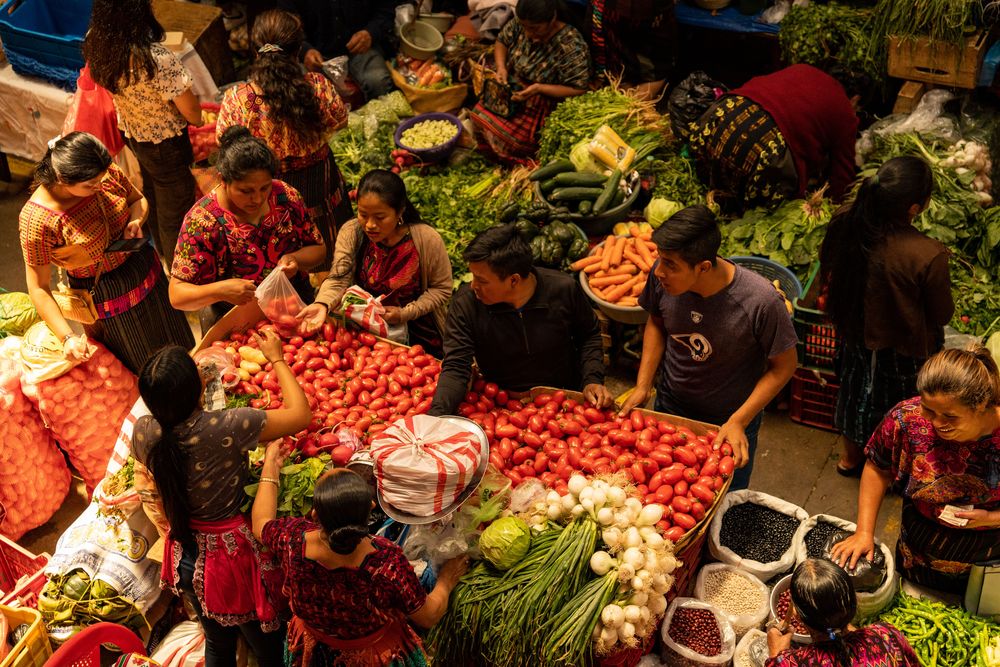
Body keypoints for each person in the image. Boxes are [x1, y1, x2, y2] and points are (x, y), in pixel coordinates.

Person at [132, 330, 311, 667]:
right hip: (233, 562)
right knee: (267, 649)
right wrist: (276, 357)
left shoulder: (144, 431)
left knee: (217, 644)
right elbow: (301, 415)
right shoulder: (229, 425)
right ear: (199, 388)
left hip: (187, 554)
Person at [618, 206, 798, 491]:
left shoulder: (760, 302)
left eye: (671, 265)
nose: (659, 271)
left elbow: (784, 366)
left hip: (730, 420)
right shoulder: (661, 276)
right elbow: (656, 321)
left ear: (703, 267)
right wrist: (643, 385)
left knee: (724, 504)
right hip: (671, 409)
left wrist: (739, 420)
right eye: (659, 259)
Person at [252, 455, 469, 666]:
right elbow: (429, 616)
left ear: (315, 514)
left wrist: (270, 464)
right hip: (372, 658)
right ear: (371, 508)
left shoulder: (291, 538)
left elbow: (260, 523)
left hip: (315, 649)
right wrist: (446, 581)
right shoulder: (386, 561)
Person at [19, 132, 193, 375]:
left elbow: (138, 200)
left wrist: (135, 220)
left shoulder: (103, 173)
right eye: (90, 186)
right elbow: (38, 288)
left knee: (181, 350)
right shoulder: (37, 219)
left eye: (101, 180)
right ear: (61, 178)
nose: (100, 186)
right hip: (108, 303)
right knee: (144, 373)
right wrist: (67, 337)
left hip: (148, 274)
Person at [820, 156, 953, 476]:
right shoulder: (927, 253)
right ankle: (889, 471)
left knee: (855, 393)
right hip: (903, 345)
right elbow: (942, 313)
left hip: (854, 334)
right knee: (901, 406)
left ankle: (849, 460)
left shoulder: (845, 222)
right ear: (914, 208)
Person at [831, 344, 1000, 594]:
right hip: (917, 550)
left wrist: (993, 518)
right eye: (929, 409)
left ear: (981, 405)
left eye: (950, 416)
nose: (937, 423)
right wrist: (864, 532)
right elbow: (877, 466)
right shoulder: (907, 419)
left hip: (986, 558)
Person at [216, 9, 351, 271]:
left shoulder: (239, 98)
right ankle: (333, 276)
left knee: (282, 255)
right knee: (331, 252)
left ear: (255, 52)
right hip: (319, 187)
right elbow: (340, 120)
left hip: (268, 189)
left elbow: (225, 140)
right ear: (298, 50)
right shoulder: (317, 87)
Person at [429, 224, 613, 416]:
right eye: (473, 277)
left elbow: (589, 335)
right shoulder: (465, 304)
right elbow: (457, 366)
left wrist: (592, 379)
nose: (473, 285)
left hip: (563, 401)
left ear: (514, 280)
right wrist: (436, 416)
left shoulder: (563, 290)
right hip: (502, 406)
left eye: (482, 280)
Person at [83, 0, 202, 267]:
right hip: (166, 145)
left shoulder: (96, 43)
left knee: (155, 197)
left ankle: (163, 259)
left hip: (133, 134)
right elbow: (193, 114)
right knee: (176, 213)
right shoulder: (155, 59)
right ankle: (181, 275)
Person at [169, 126, 325, 328]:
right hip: (236, 320)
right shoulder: (202, 222)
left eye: (264, 187)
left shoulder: (285, 196)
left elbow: (319, 250)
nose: (258, 198)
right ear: (223, 180)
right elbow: (177, 295)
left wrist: (296, 259)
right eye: (246, 191)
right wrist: (220, 290)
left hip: (293, 304)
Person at [298, 169, 452, 355]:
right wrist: (322, 304)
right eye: (363, 215)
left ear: (399, 212)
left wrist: (405, 313)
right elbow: (339, 276)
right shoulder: (352, 231)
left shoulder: (426, 239)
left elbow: (441, 288)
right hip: (368, 330)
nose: (370, 225)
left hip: (419, 333)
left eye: (380, 217)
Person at [689, 64, 859, 212]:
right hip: (761, 145)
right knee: (760, 213)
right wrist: (834, 210)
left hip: (721, 117)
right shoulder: (845, 110)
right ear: (856, 99)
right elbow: (842, 175)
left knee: (710, 186)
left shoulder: (802, 69)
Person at [470, 0, 591, 161]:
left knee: (510, 141)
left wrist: (538, 88)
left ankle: (508, 164)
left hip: (543, 101)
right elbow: (502, 41)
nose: (527, 33)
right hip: (513, 87)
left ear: (552, 19)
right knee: (477, 116)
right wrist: (502, 68)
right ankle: (490, 158)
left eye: (534, 29)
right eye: (525, 27)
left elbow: (579, 89)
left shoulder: (571, 45)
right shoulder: (522, 23)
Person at [765, 559, 920, 667]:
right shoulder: (887, 634)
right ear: (855, 603)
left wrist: (776, 654)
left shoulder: (790, 663)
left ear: (797, 617)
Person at [276, 0, 397, 101]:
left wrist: (371, 32)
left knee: (378, 82)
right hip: (314, 52)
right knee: (298, 93)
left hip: (359, 47)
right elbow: (285, 26)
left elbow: (386, 11)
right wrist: (304, 50)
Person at [585, 0, 676, 100]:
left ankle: (625, 104)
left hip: (618, 10)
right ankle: (626, 106)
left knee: (622, 60)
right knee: (656, 68)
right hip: (632, 11)